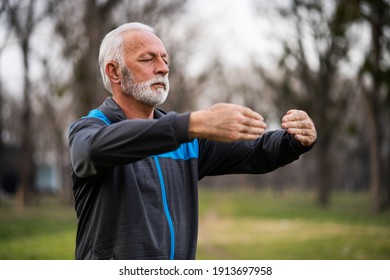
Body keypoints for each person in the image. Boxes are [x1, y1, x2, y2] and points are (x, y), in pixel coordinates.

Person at [68, 22, 317, 260]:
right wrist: (190, 124)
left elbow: (257, 151)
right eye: (148, 59)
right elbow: (90, 152)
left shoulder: (187, 139)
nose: (163, 68)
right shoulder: (90, 128)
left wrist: (293, 139)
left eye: (165, 60)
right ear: (114, 72)